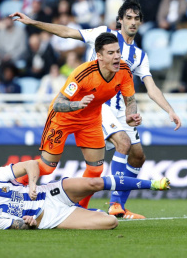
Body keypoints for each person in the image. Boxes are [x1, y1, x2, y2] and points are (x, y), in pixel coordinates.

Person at [10, 0, 181, 219]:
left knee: (137, 156)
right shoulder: (101, 35)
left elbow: (151, 87)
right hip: (96, 105)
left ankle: (94, 207)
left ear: (140, 22)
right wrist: (33, 22)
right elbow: (66, 32)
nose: (132, 22)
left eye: (136, 18)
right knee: (123, 143)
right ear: (119, 20)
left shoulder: (139, 56)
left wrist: (169, 110)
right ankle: (115, 204)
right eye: (128, 17)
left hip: (121, 110)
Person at [13, 33, 141, 210]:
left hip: (90, 120)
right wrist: (78, 104)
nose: (117, 56)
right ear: (100, 56)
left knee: (96, 171)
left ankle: (79, 209)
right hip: (62, 119)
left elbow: (131, 100)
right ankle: (12, 189)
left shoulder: (124, 71)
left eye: (118, 51)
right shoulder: (83, 74)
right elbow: (58, 104)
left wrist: (130, 115)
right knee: (47, 167)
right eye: (111, 53)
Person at [0, 159, 170, 230]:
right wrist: (28, 222)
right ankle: (86, 213)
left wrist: (31, 183)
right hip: (48, 217)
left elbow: (31, 164)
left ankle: (152, 183)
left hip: (49, 193)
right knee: (110, 222)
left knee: (95, 182)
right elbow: (18, 225)